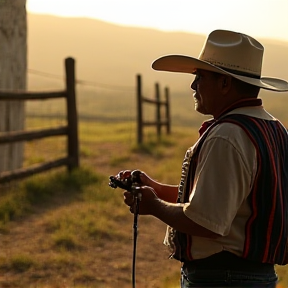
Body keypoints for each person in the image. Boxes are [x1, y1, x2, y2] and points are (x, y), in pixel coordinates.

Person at [115, 30, 288, 287]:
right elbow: (222, 202)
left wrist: (154, 206)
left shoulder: (228, 135)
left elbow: (206, 222)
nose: (193, 86)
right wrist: (158, 190)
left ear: (225, 84)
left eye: (200, 77)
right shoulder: (273, 127)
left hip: (223, 278)